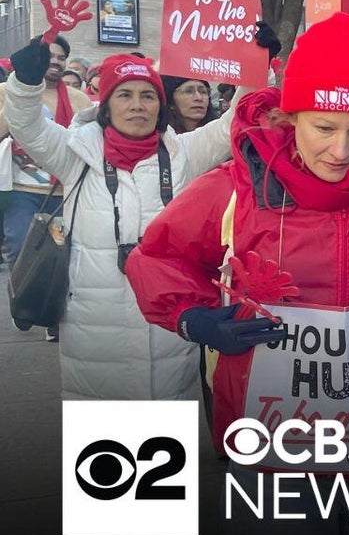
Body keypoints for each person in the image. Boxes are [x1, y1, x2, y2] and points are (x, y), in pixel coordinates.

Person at [126, 12, 349, 535]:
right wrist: (195, 319)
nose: (342, 150)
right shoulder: (233, 188)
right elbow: (157, 258)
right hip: (275, 451)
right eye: (324, 128)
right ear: (290, 117)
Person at [3, 24, 275, 403]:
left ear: (160, 105)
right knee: (103, 434)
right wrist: (25, 83)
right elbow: (27, 126)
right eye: (125, 94)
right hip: (92, 330)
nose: (137, 105)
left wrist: (257, 67)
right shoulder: (75, 152)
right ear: (106, 106)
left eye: (148, 95)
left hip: (169, 332)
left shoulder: (182, 154)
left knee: (164, 432)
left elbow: (234, 122)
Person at [0, 35, 94, 342]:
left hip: (66, 191)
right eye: (49, 55)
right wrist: (20, 107)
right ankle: (25, 300)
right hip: (22, 189)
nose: (55, 61)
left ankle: (56, 316)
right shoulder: (6, 92)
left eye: (61, 57)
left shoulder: (79, 100)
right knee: (19, 249)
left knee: (64, 258)